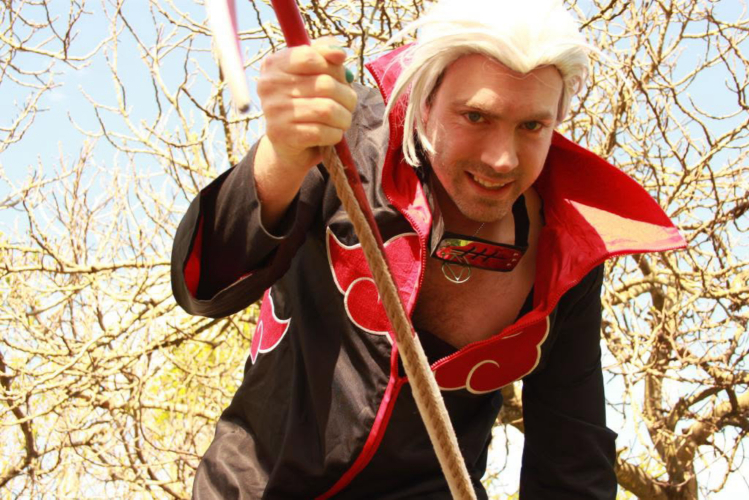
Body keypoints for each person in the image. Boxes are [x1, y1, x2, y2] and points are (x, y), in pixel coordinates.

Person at [171, 0, 685, 498]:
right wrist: (280, 156)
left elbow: (571, 463)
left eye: (532, 126)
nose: (503, 159)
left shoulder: (568, 249)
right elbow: (204, 283)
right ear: (425, 100)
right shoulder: (345, 143)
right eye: (476, 117)